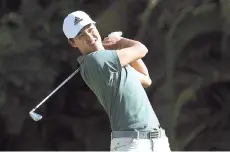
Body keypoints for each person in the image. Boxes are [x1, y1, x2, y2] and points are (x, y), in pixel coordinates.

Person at [62, 10, 171, 152]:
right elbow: (141, 49)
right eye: (81, 35)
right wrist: (120, 42)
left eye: (90, 30)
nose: (90, 37)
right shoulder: (96, 61)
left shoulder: (108, 60)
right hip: (133, 143)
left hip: (156, 140)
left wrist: (117, 48)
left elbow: (145, 79)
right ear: (73, 42)